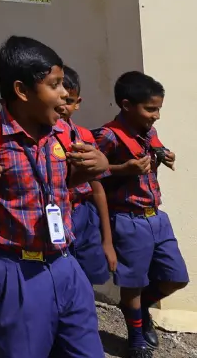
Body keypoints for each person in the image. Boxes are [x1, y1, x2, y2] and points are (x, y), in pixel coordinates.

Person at [0, 37, 109, 359]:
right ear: (22, 91)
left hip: (65, 264)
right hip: (15, 270)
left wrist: (97, 167)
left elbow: (66, 183)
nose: (64, 94)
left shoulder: (65, 132)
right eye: (55, 85)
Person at [96, 71, 187, 359]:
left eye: (158, 108)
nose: (156, 116)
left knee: (176, 277)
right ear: (126, 105)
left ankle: (138, 310)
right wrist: (124, 169)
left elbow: (155, 150)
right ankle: (136, 338)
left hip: (156, 216)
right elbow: (91, 176)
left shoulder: (149, 132)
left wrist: (166, 154)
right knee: (132, 283)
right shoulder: (107, 136)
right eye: (150, 109)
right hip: (127, 218)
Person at [59, 67, 114, 291]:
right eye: (59, 98)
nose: (63, 106)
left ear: (78, 102)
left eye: (69, 100)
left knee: (86, 276)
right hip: (55, 213)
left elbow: (97, 187)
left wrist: (107, 240)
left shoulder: (84, 136)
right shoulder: (38, 137)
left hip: (84, 214)